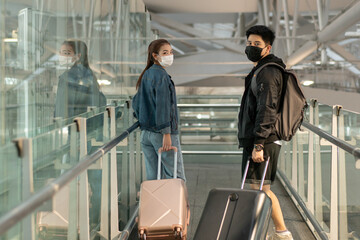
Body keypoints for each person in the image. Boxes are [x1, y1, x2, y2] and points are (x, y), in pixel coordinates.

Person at [237, 25, 293, 240]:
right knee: (259, 189)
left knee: (260, 189)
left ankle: (280, 232)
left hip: (264, 139)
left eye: (256, 44)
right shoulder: (261, 69)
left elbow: (267, 108)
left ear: (267, 47)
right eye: (249, 43)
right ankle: (275, 232)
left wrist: (259, 144)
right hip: (260, 137)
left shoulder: (268, 72)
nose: (251, 47)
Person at [132, 39, 186, 181]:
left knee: (153, 177)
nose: (169, 55)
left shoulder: (147, 74)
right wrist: (166, 133)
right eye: (165, 52)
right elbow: (163, 105)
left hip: (146, 134)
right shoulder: (161, 76)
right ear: (155, 56)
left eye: (170, 52)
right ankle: (176, 204)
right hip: (163, 135)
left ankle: (155, 204)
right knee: (175, 175)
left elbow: (136, 102)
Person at [55, 40, 106, 118]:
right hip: (85, 123)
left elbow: (63, 108)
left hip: (74, 124)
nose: (62, 56)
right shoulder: (88, 74)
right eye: (60, 52)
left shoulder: (69, 77)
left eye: (67, 53)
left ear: (78, 56)